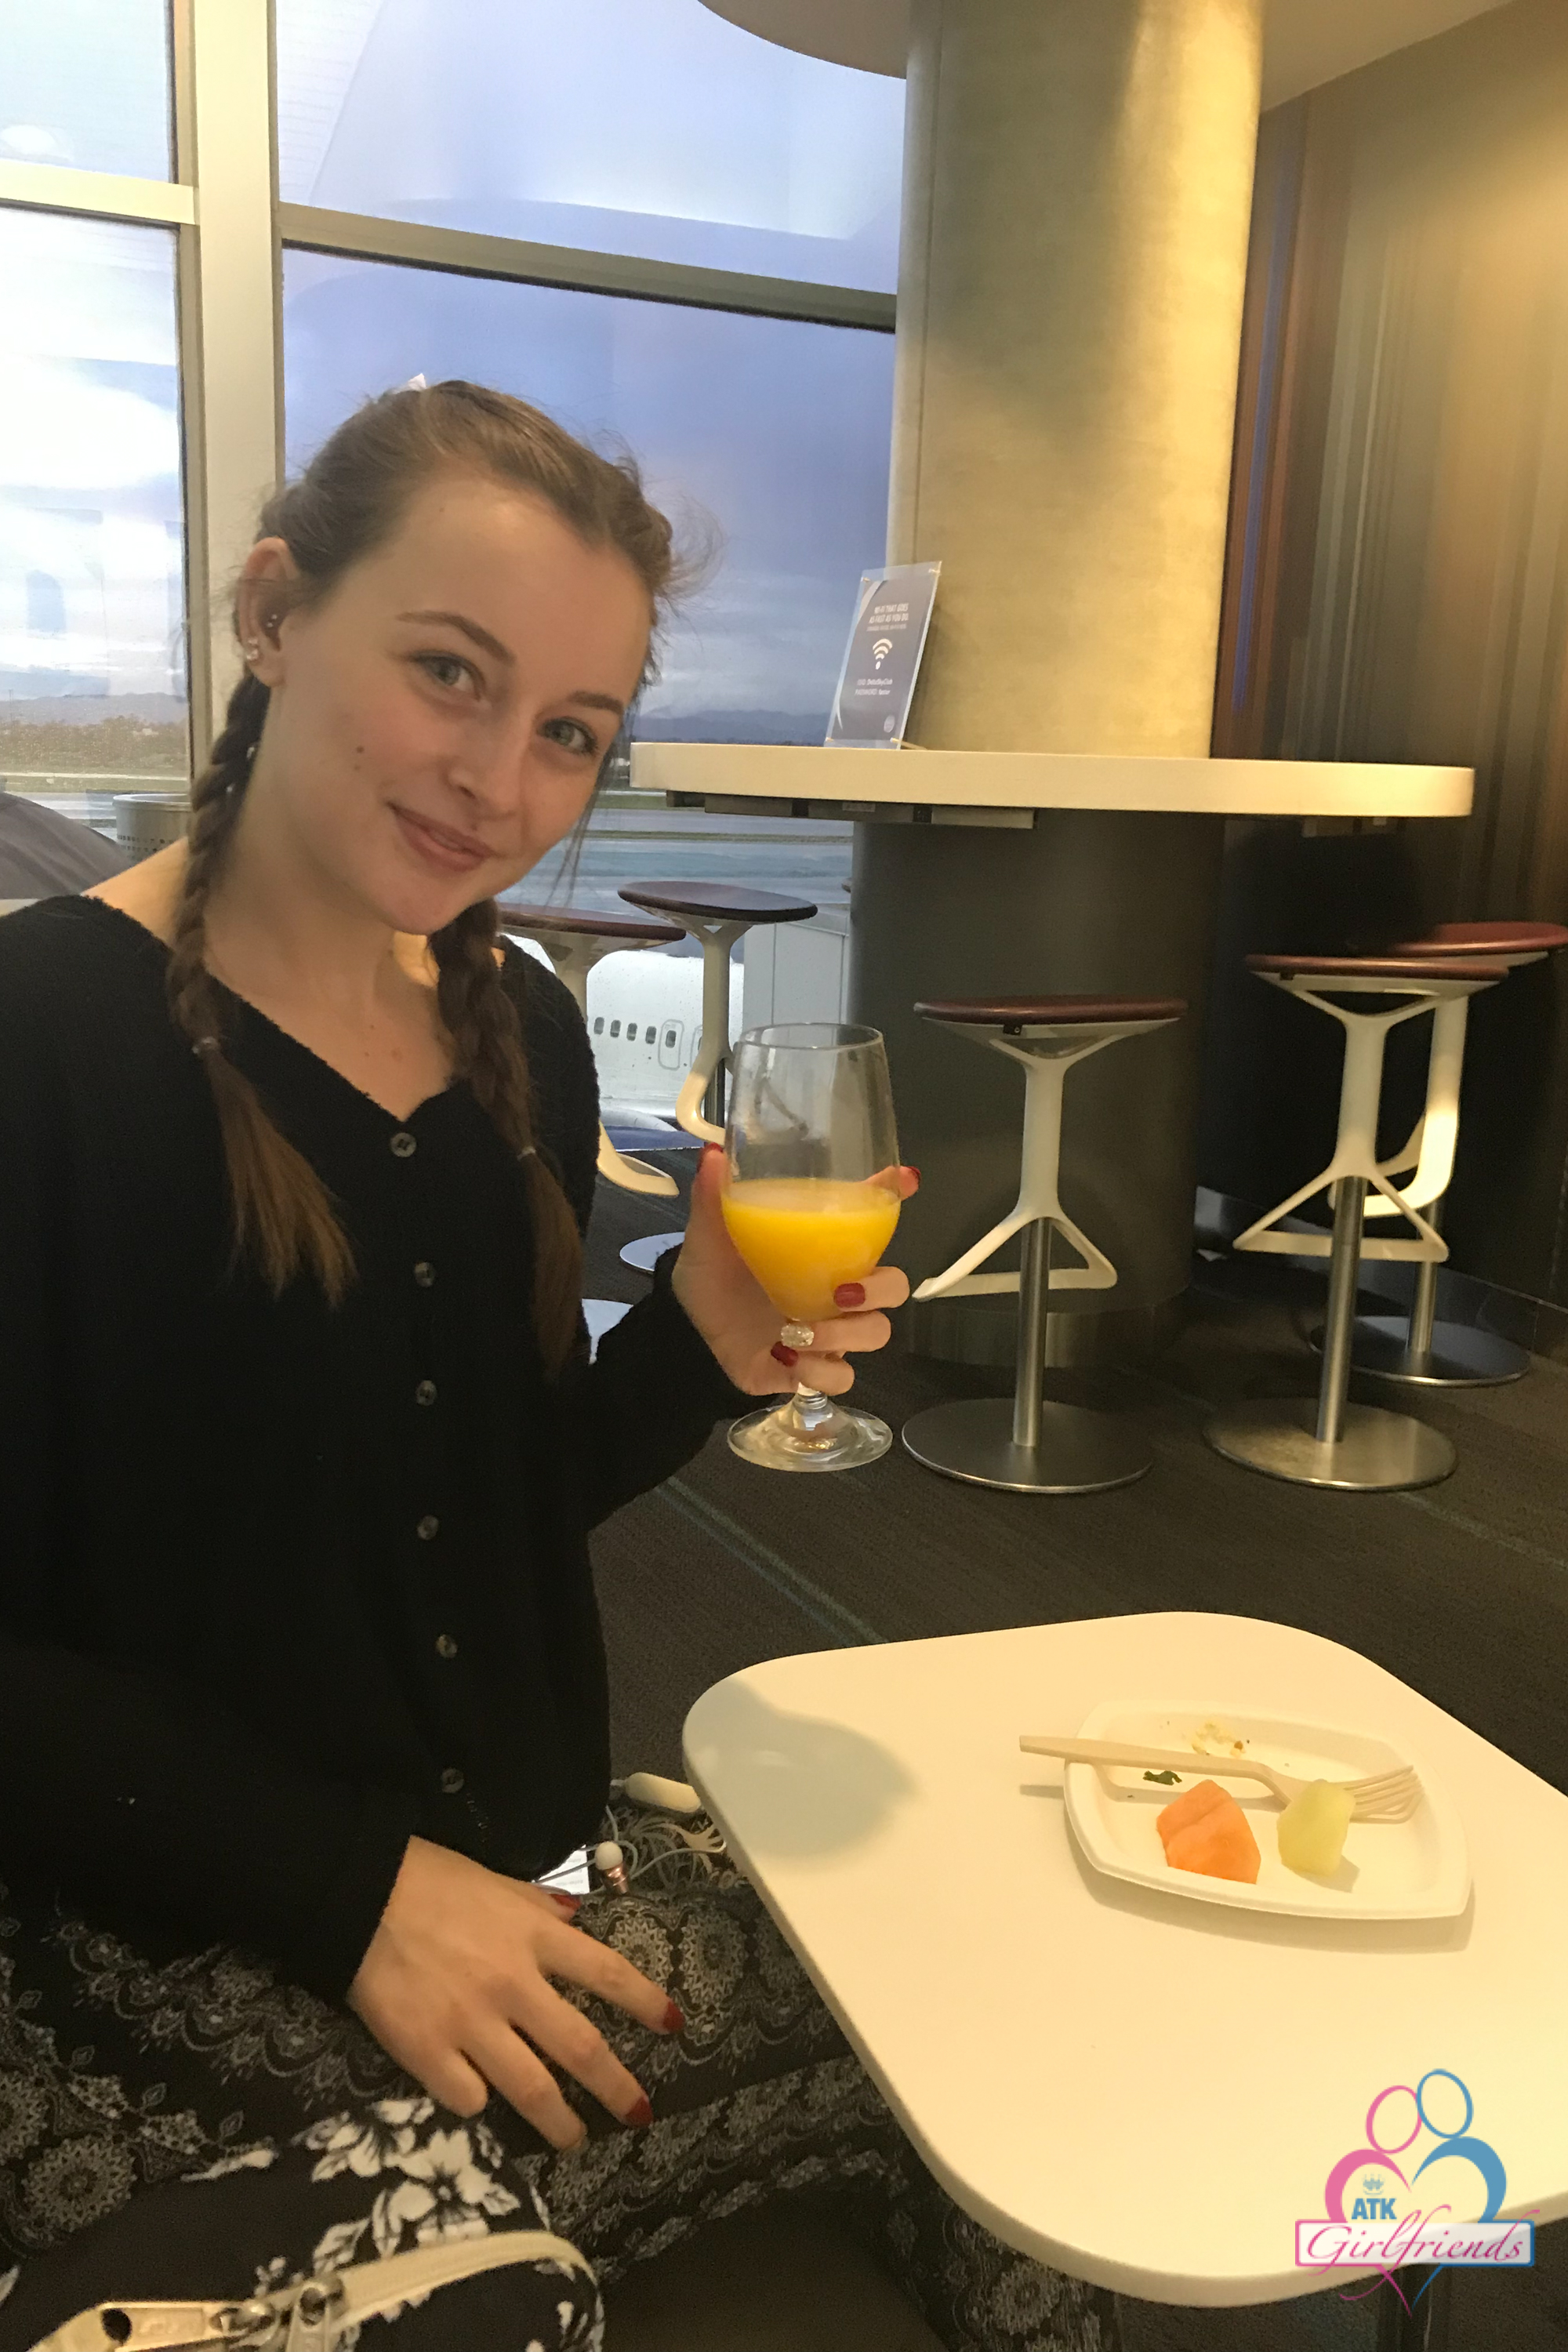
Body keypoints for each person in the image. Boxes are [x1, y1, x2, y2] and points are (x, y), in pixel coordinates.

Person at [0, 383, 1116, 2352]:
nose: (497, 780)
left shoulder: (514, 1019)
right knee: (965, 2033)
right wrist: (355, 1892)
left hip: (509, 1883)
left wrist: (694, 1352)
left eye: (571, 733)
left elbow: (477, 1510)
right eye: (449, 671)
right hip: (157, 1967)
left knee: (987, 2043)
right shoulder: (38, 1044)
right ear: (274, 611)